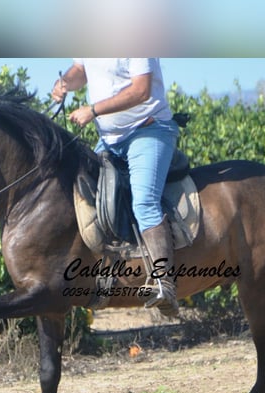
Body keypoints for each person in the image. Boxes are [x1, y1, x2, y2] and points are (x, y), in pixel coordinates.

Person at [51, 58, 180, 317]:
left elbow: (141, 90)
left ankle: (164, 282)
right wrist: (64, 82)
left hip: (149, 131)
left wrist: (94, 110)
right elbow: (81, 70)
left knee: (144, 202)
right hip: (109, 140)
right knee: (82, 192)